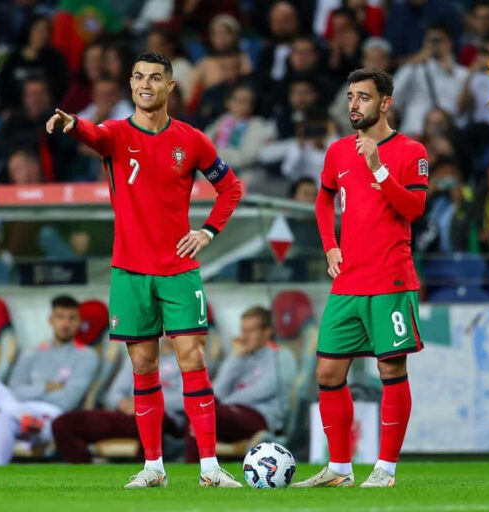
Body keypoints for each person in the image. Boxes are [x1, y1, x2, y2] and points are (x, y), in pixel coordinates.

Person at [46, 51, 243, 488]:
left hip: (179, 269)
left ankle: (209, 468)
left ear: (170, 86)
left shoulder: (192, 140)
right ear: (131, 85)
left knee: (192, 357)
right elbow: (93, 133)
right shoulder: (115, 133)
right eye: (138, 77)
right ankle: (154, 467)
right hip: (130, 271)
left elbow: (230, 187)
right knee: (143, 364)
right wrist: (72, 123)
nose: (145, 84)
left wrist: (207, 231)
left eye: (154, 78)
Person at [293, 68, 428, 488]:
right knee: (327, 372)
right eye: (351, 96)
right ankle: (339, 469)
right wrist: (329, 246)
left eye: (363, 97)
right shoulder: (337, 151)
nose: (354, 104)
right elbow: (323, 200)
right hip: (348, 281)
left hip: (390, 279)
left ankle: (385, 469)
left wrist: (379, 169)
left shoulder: (411, 151)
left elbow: (414, 209)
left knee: (391, 369)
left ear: (385, 103)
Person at [0, 295, 98, 466]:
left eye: (71, 318)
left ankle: (19, 422)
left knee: (5, 416)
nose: (65, 324)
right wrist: (45, 387)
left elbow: (66, 401)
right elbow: (14, 391)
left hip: (54, 417)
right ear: (51, 320)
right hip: (20, 411)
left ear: (79, 322)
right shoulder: (31, 353)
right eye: (60, 317)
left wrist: (30, 391)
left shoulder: (87, 356)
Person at [185, 306, 295, 462]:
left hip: (260, 416)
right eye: (243, 330)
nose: (244, 337)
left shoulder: (281, 356)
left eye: (250, 331)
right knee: (197, 412)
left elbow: (264, 389)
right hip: (231, 413)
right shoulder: (240, 357)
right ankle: (217, 459)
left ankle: (200, 467)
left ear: (267, 332)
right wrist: (235, 357)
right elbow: (217, 391)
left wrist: (224, 403)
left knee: (204, 415)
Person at [52, 338, 184, 464]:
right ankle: (86, 472)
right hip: (126, 414)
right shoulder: (141, 351)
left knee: (149, 424)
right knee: (64, 423)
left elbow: (184, 399)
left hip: (163, 417)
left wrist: (144, 403)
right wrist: (123, 403)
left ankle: (149, 472)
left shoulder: (188, 357)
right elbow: (113, 393)